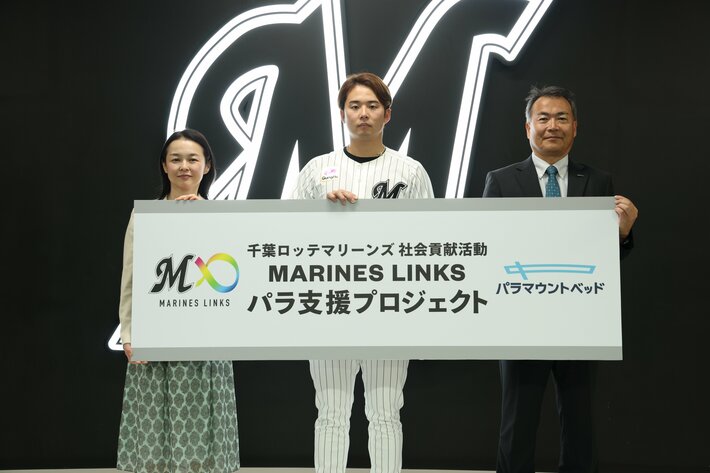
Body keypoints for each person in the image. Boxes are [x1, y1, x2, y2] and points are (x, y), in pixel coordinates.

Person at [482, 85, 638, 473]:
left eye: (562, 118)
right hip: (521, 322)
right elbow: (486, 250)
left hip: (581, 321)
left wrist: (623, 234)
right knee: (517, 424)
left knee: (580, 423)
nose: (553, 125)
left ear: (575, 127)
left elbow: (605, 260)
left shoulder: (597, 181)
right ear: (528, 128)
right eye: (544, 118)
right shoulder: (501, 181)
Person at [292, 72, 434, 473]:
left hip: (389, 307)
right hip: (328, 306)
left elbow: (430, 238)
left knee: (386, 413)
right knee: (331, 413)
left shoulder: (410, 171)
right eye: (354, 106)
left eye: (373, 106)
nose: (364, 114)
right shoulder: (317, 170)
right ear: (342, 114)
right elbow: (289, 237)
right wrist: (322, 210)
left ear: (387, 114)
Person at [116, 129, 240, 473]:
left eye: (192, 159)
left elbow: (234, 277)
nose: (184, 166)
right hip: (156, 337)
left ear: (207, 166)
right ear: (164, 166)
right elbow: (131, 276)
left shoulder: (223, 217)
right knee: (153, 433)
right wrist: (129, 333)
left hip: (207, 340)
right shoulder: (145, 216)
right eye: (176, 159)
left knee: (205, 436)